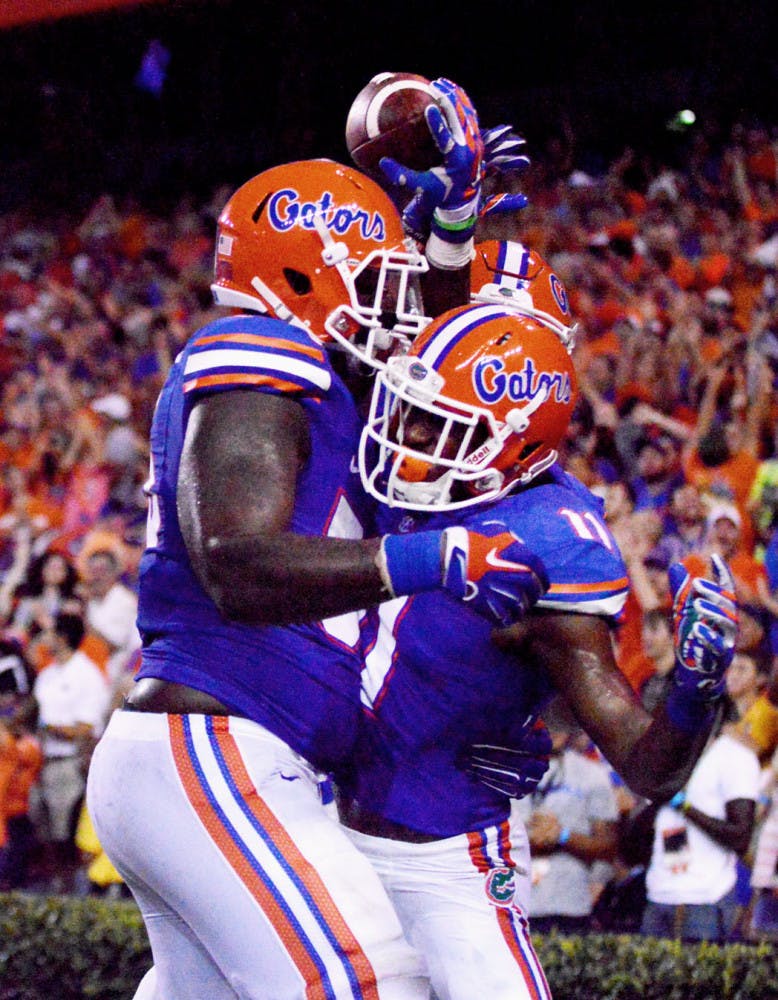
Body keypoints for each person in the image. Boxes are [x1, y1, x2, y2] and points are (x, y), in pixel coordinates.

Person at [86, 138, 549, 998]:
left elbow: (431, 357)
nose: (393, 305)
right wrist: (431, 558)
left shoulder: (320, 381)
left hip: (220, 751)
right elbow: (236, 561)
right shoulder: (262, 345)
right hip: (216, 746)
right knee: (374, 983)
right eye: (374, 280)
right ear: (302, 278)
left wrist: (453, 236)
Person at [338, 301, 739, 1000]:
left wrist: (695, 689)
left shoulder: (546, 546)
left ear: (510, 442)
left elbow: (647, 765)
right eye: (413, 412)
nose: (408, 435)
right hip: (325, 825)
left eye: (436, 422)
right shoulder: (412, 484)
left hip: (444, 857)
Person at [640, 710, 759, 943]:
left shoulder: (734, 757)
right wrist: (657, 795)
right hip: (659, 895)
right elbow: (634, 838)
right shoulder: (668, 755)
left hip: (706, 899)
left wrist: (685, 806)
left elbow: (740, 836)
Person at [515, 700, 620, 935]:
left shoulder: (592, 775)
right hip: (514, 904)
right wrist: (529, 839)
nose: (553, 729)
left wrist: (562, 836)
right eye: (545, 720)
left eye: (558, 722)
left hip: (570, 906)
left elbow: (609, 846)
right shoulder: (505, 771)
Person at [32, 610, 110, 892]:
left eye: (51, 632)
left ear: (63, 637)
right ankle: (56, 890)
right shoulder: (47, 674)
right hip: (42, 760)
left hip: (70, 761)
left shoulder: (87, 674)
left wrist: (52, 728)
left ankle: (74, 892)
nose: (46, 638)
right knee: (44, 827)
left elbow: (87, 727)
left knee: (68, 832)